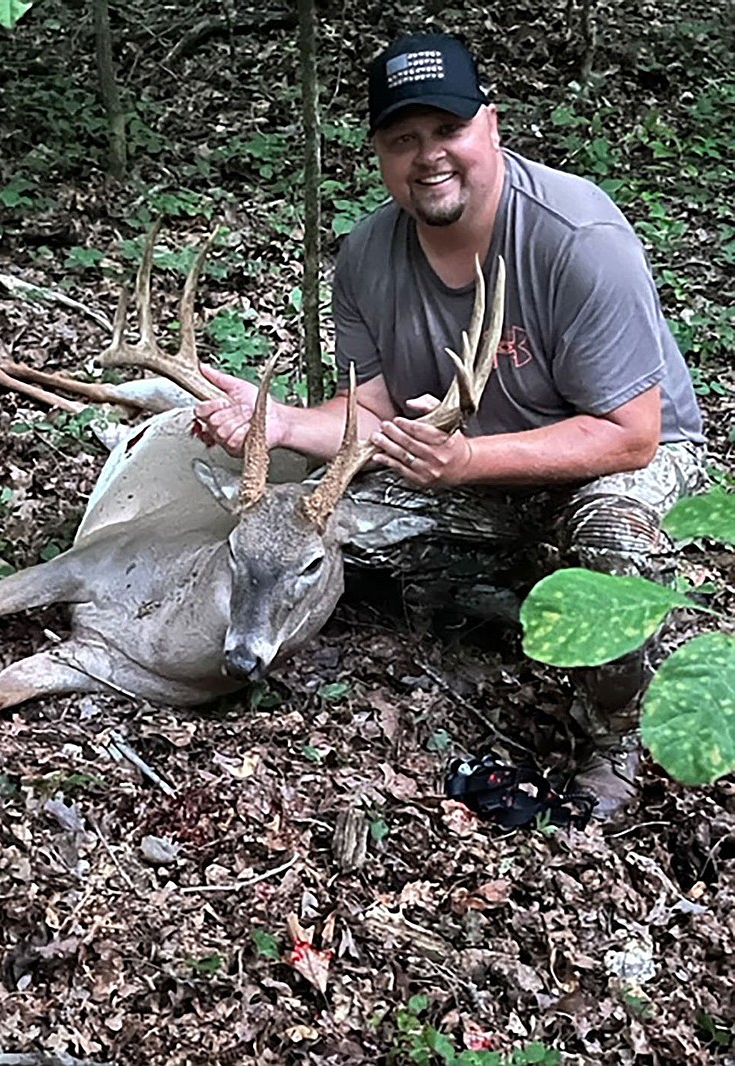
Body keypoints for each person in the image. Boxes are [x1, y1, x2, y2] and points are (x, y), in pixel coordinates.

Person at [194, 32, 706, 815]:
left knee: (607, 542)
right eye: (403, 139)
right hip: (462, 460)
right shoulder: (367, 254)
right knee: (337, 521)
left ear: (490, 128)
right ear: (378, 153)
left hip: (618, 457)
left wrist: (467, 463)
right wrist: (284, 424)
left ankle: (616, 736)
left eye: (447, 131)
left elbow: (632, 432)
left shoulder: (576, 239)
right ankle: (506, 587)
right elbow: (370, 413)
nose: (428, 156)